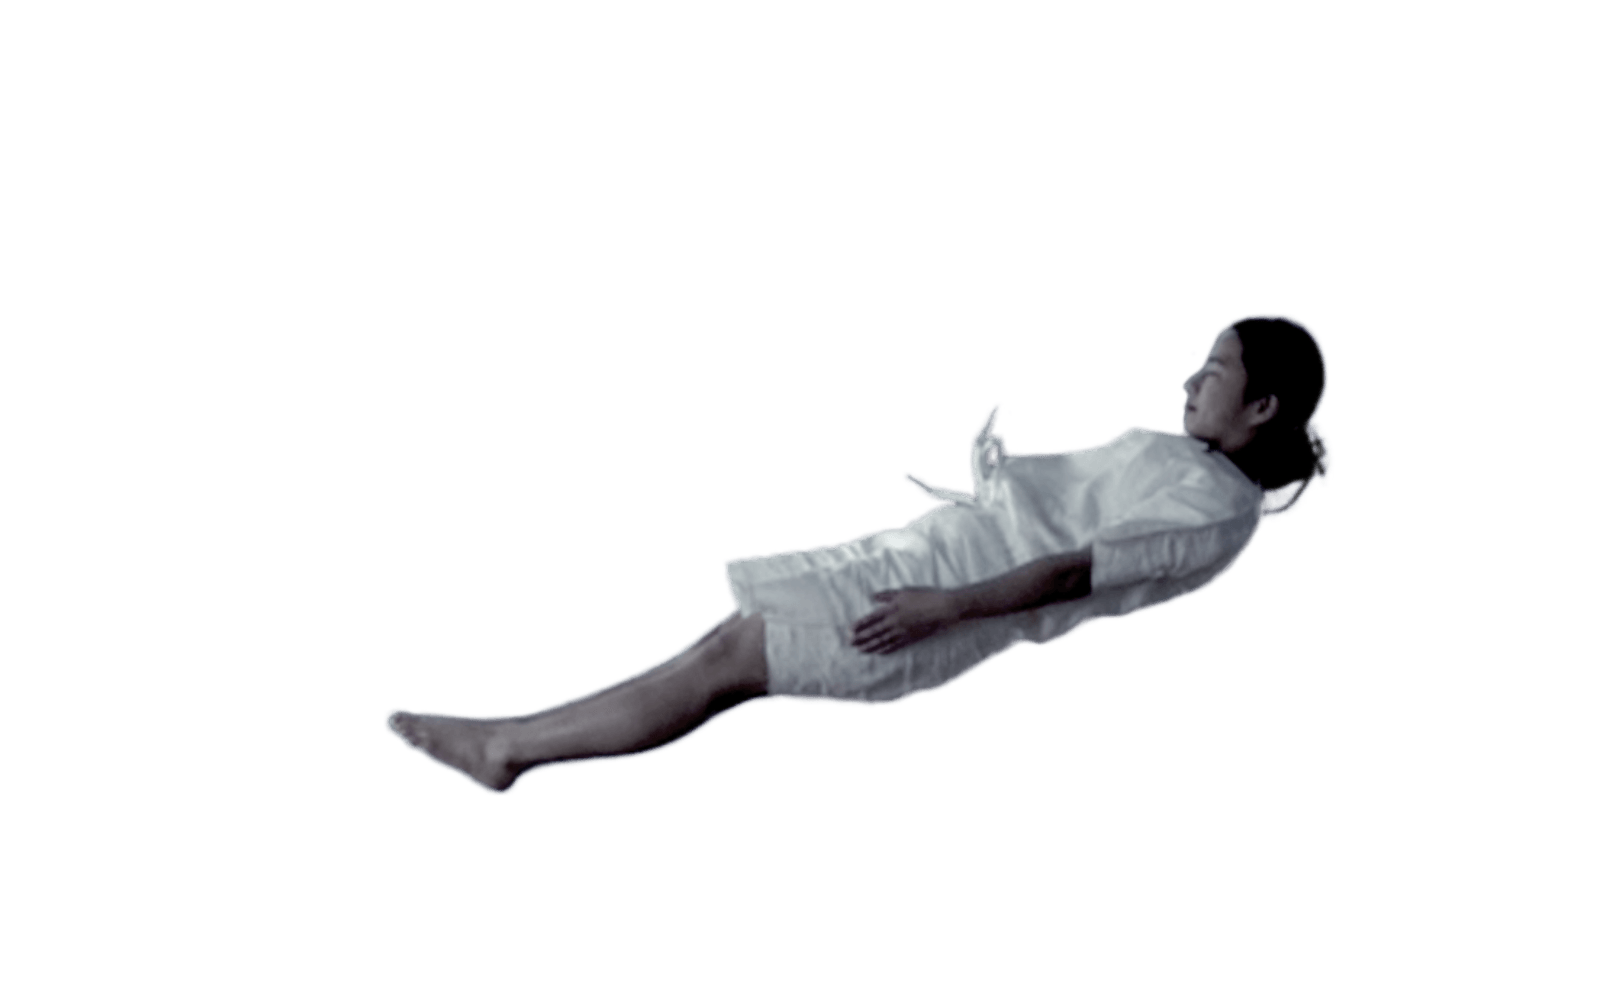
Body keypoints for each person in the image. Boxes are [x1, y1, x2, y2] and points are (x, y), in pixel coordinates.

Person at [385, 313, 1333, 795]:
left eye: (1214, 373)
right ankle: (510, 734)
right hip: (937, 562)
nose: (1190, 380)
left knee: (724, 667)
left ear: (1262, 408)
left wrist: (944, 606)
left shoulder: (1216, 509)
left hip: (949, 599)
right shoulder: (1191, 468)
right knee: (722, 643)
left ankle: (507, 749)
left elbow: (1073, 570)